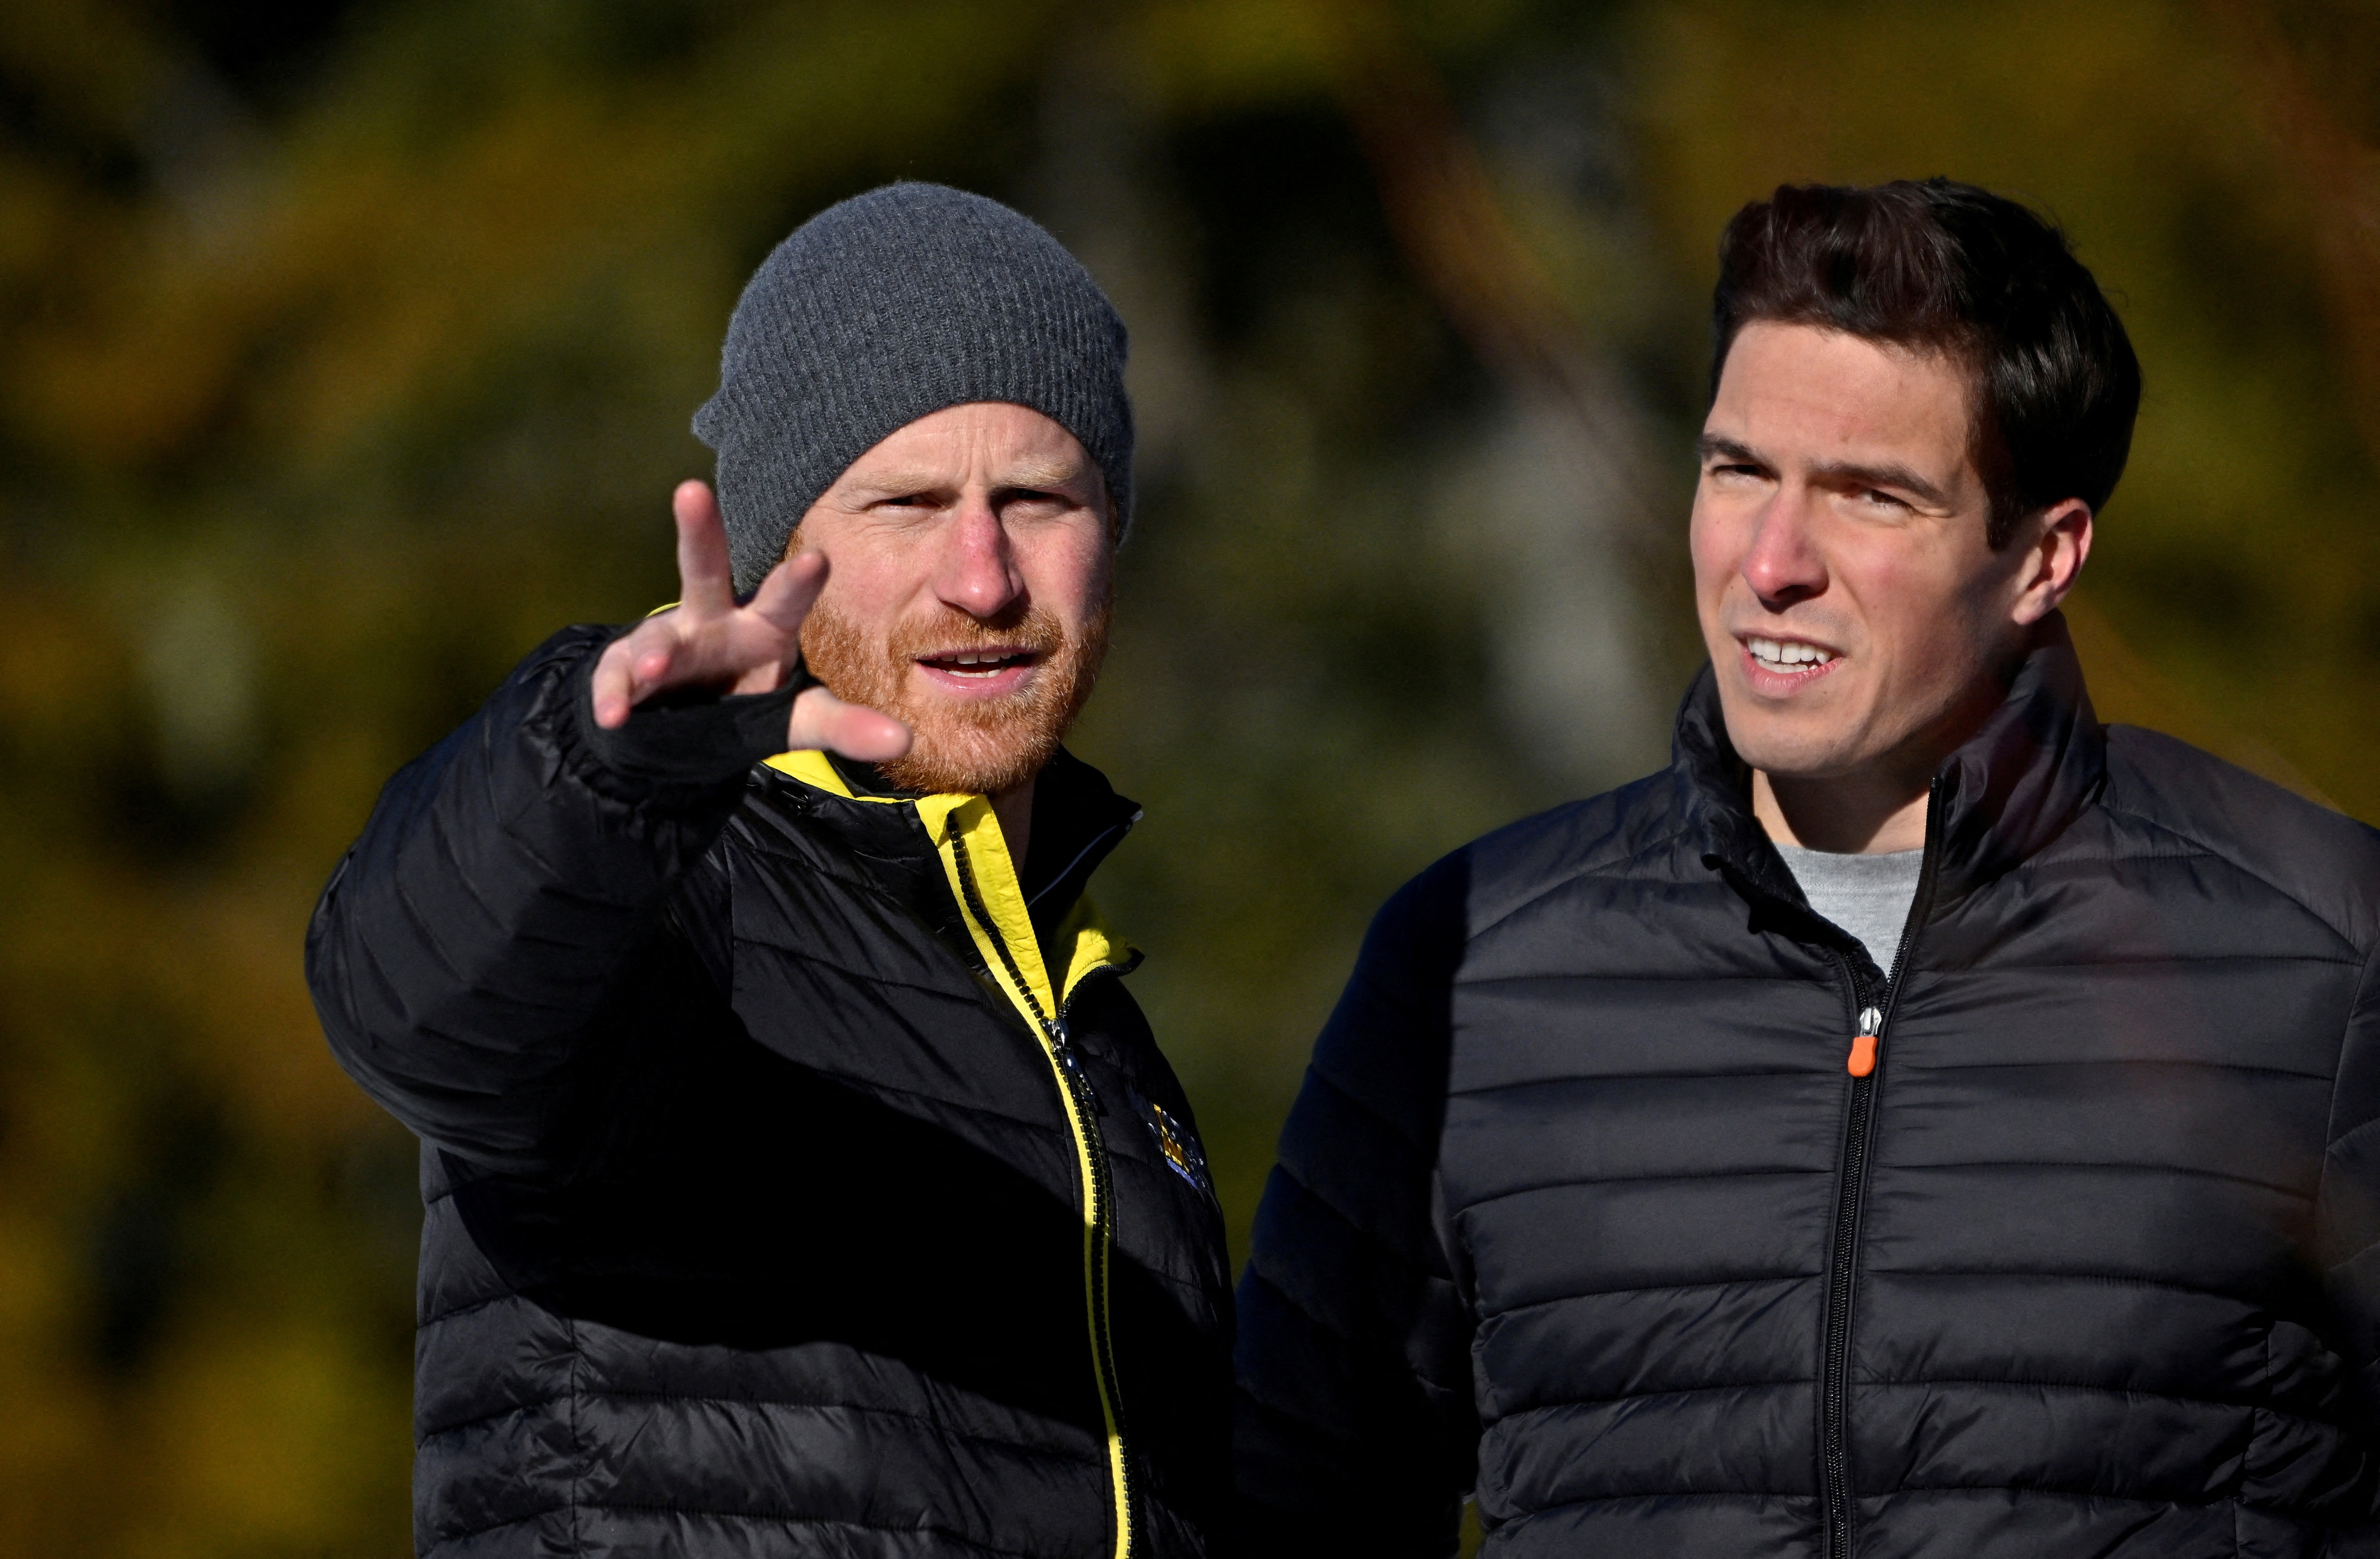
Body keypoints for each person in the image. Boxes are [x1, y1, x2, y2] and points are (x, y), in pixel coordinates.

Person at [1232, 178, 2380, 1557]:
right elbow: (1287, 1515)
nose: (1771, 563)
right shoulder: (1466, 961)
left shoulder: (2328, 953)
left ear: (2044, 558)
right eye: (1738, 472)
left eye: (1871, 497)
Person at [307, 183, 1230, 1559]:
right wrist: (604, 770)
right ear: (777, 551)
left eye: (1038, 498)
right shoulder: (668, 902)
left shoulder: (1099, 1032)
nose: (983, 578)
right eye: (907, 504)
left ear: (1113, 533)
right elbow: (414, 998)